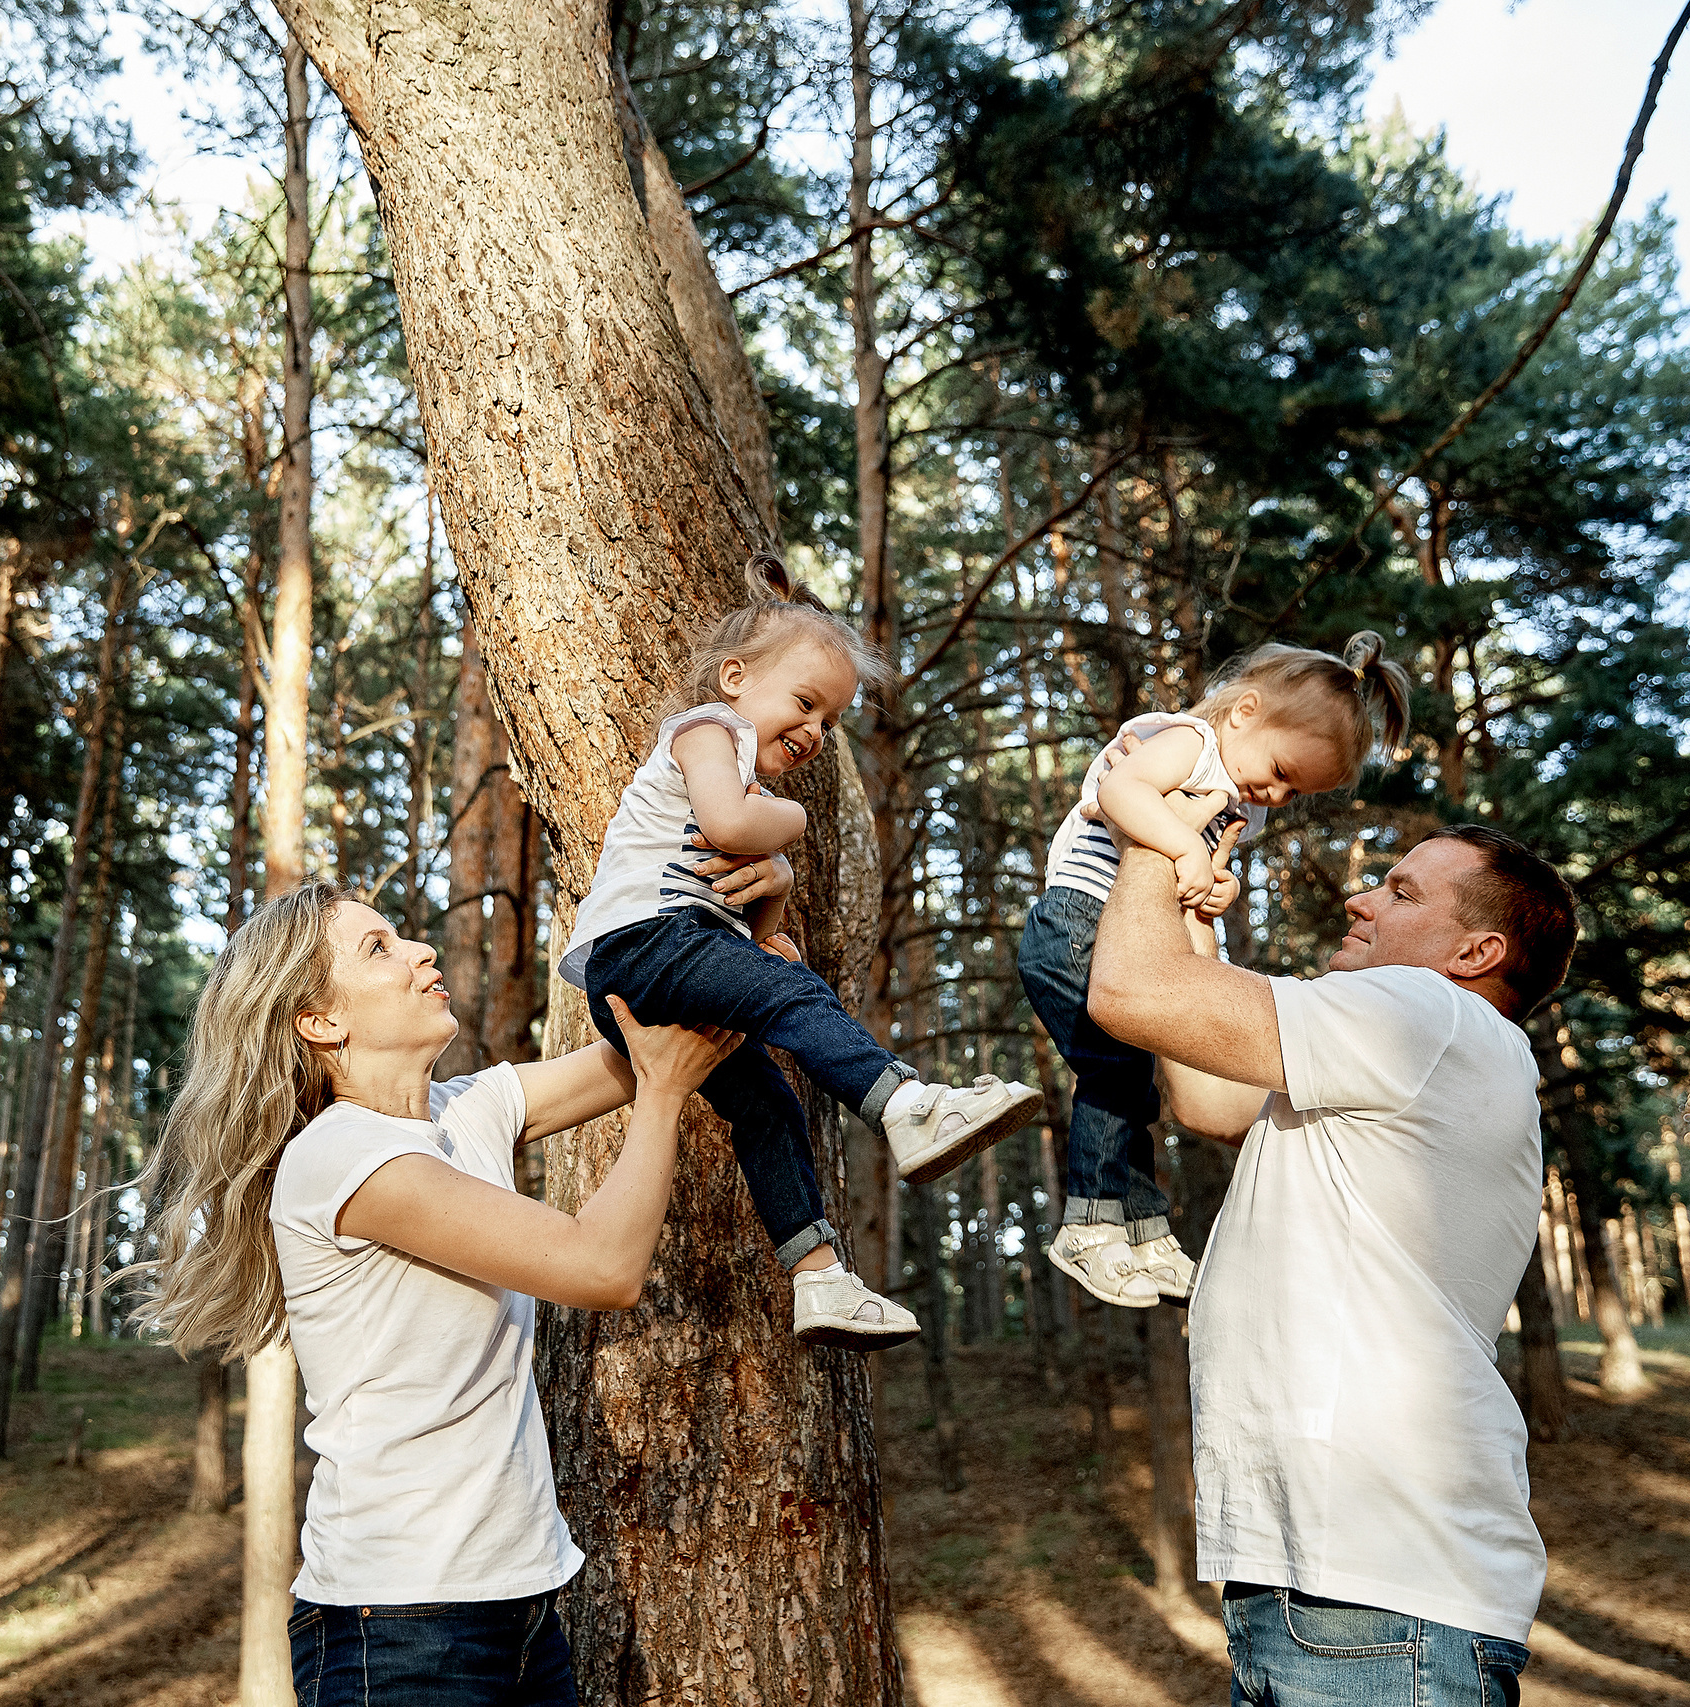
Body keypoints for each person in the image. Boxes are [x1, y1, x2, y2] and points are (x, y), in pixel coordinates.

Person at [131, 881, 744, 1707]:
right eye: (378, 948)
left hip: (522, 1610)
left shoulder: (466, 1114)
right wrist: (665, 1093)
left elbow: (660, 1036)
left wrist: (752, 911)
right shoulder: (340, 1157)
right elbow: (604, 1267)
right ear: (320, 1021)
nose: (422, 951)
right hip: (401, 1628)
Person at [1087, 811, 1579, 1707]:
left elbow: (1130, 991)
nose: (1359, 898)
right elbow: (1212, 1100)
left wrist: (1149, 823)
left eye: (1401, 891)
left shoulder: (1428, 1013)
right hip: (1335, 1586)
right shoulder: (1422, 1045)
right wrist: (1195, 899)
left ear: (1475, 952)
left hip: (1380, 1593)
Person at [557, 555, 1043, 1350]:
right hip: (645, 942)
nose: (816, 731)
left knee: (768, 1105)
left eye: (832, 720)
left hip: (660, 965)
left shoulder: (744, 766)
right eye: (806, 703)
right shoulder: (707, 732)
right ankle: (908, 1106)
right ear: (735, 677)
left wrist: (772, 901)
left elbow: (755, 902)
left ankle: (818, 1277)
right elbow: (724, 826)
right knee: (797, 995)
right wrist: (793, 825)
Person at [1023, 633, 1410, 1307]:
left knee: (1129, 1081)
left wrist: (1211, 884)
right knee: (1115, 1074)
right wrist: (1184, 848)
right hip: (1078, 918)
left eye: (1297, 791)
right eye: (1283, 769)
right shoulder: (1189, 742)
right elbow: (1122, 789)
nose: (1279, 794)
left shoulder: (1237, 800)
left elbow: (1186, 874)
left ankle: (1139, 1227)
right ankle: (1090, 1223)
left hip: (1117, 935)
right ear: (1244, 711)